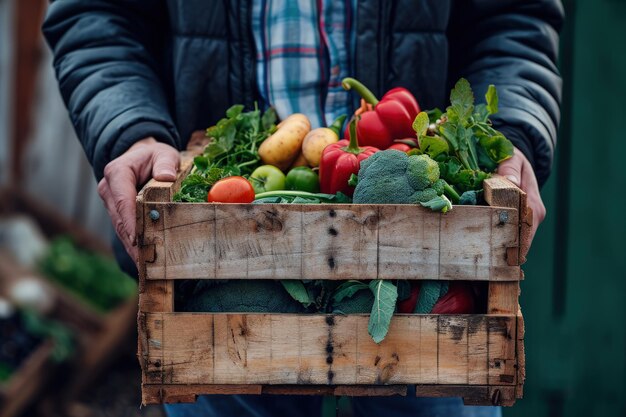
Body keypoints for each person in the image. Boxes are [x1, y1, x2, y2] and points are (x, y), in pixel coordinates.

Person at [43, 1, 563, 416]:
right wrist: (132, 129)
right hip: (220, 293)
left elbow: (514, 18)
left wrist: (509, 136)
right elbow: (95, 13)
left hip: (433, 296)